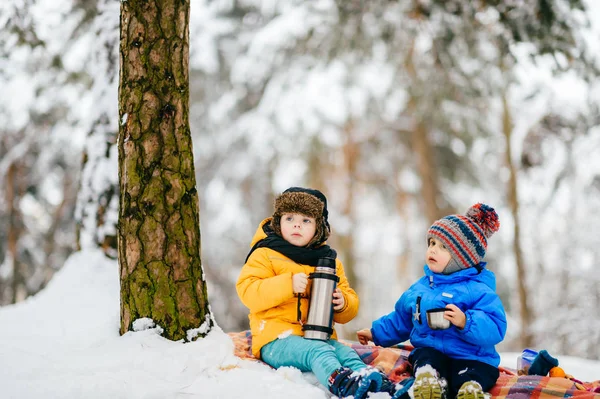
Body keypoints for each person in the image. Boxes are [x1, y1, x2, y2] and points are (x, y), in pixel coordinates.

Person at [236, 187, 386, 399]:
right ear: (278, 222)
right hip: (276, 339)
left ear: (318, 228)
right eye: (289, 218)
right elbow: (248, 291)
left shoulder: (329, 261)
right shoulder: (265, 254)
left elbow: (349, 308)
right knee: (319, 353)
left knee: (345, 353)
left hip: (320, 336)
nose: (297, 224)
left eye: (306, 220)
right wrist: (286, 285)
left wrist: (342, 303)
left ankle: (376, 384)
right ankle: (345, 385)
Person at [357, 203, 507, 399]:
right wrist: (375, 333)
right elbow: (401, 319)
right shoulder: (420, 288)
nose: (433, 250)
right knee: (424, 355)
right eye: (432, 243)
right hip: (433, 352)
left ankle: (471, 388)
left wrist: (465, 321)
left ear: (462, 258)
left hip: (471, 356)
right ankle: (428, 379)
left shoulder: (478, 289)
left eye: (443, 247)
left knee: (479, 370)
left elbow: (496, 326)